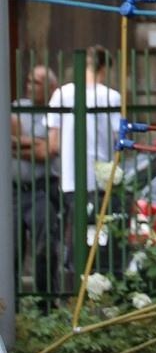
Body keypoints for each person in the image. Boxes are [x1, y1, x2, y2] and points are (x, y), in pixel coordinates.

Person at [45, 46, 123, 278]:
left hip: (70, 177)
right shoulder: (111, 96)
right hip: (101, 179)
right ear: (103, 68)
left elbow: (53, 143)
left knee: (74, 233)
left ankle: (73, 279)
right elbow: (118, 139)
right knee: (102, 234)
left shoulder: (61, 94)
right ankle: (101, 277)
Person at [11, 65, 59, 293]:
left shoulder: (55, 112)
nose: (30, 86)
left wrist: (19, 142)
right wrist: (35, 143)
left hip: (41, 190)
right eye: (29, 81)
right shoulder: (19, 107)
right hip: (13, 192)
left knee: (45, 247)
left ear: (51, 87)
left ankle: (45, 302)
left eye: (36, 83)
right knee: (10, 250)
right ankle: (11, 304)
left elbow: (46, 153)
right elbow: (8, 140)